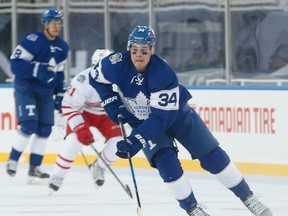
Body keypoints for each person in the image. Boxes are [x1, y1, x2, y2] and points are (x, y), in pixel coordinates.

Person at [89, 25, 273, 216]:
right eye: (134, 50)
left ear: (152, 50)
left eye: (144, 50)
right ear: (129, 48)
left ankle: (248, 197)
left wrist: (136, 141)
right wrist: (111, 102)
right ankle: (192, 209)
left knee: (212, 156)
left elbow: (161, 118)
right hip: (142, 122)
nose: (138, 55)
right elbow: (94, 78)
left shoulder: (163, 73)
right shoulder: (114, 63)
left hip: (176, 115)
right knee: (166, 163)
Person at [6, 8, 69, 184]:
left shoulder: (62, 47)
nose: (57, 27)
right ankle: (12, 160)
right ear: (45, 24)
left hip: (46, 93)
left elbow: (59, 74)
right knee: (28, 125)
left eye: (59, 23)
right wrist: (37, 69)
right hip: (26, 89)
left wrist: (59, 94)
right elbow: (15, 65)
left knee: (44, 129)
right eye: (53, 23)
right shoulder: (32, 41)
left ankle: (34, 168)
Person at [48, 49, 122, 192]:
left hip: (108, 114)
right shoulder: (82, 80)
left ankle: (99, 166)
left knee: (119, 144)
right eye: (98, 66)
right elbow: (69, 105)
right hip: (84, 113)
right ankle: (57, 175)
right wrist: (80, 127)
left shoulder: (123, 79)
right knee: (73, 142)